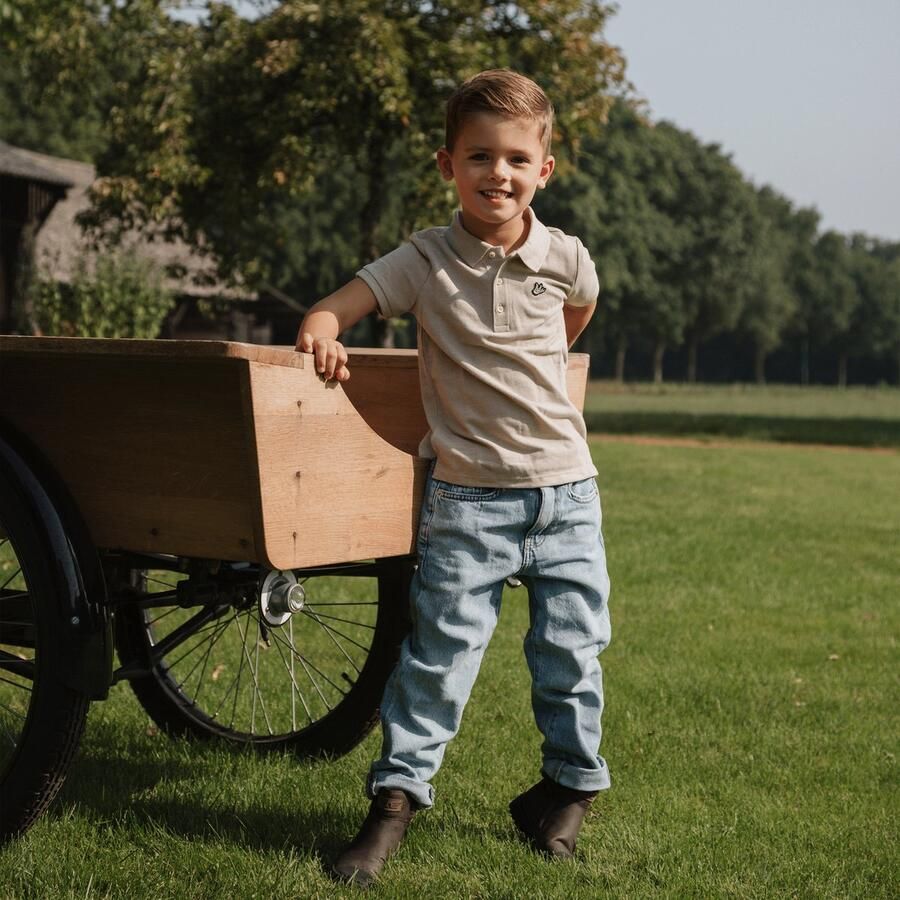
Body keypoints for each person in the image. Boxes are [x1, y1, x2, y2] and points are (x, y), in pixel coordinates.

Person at [296, 68, 611, 888]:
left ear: (544, 168)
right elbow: (333, 308)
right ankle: (393, 805)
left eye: (514, 158)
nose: (496, 174)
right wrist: (324, 332)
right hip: (469, 500)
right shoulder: (426, 260)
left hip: (569, 494)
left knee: (573, 656)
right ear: (447, 165)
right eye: (478, 156)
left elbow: (576, 315)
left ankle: (564, 794)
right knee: (439, 659)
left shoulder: (566, 258)